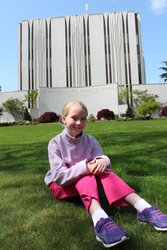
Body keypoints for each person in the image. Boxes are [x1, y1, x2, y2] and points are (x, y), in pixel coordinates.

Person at [44, 100, 167, 248]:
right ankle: (100, 220)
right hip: (61, 186)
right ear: (63, 119)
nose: (79, 122)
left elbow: (101, 157)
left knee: (104, 172)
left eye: (83, 119)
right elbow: (59, 177)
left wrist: (103, 160)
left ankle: (144, 209)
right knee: (86, 174)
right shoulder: (55, 143)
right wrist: (86, 167)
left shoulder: (90, 140)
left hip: (85, 180)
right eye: (74, 118)